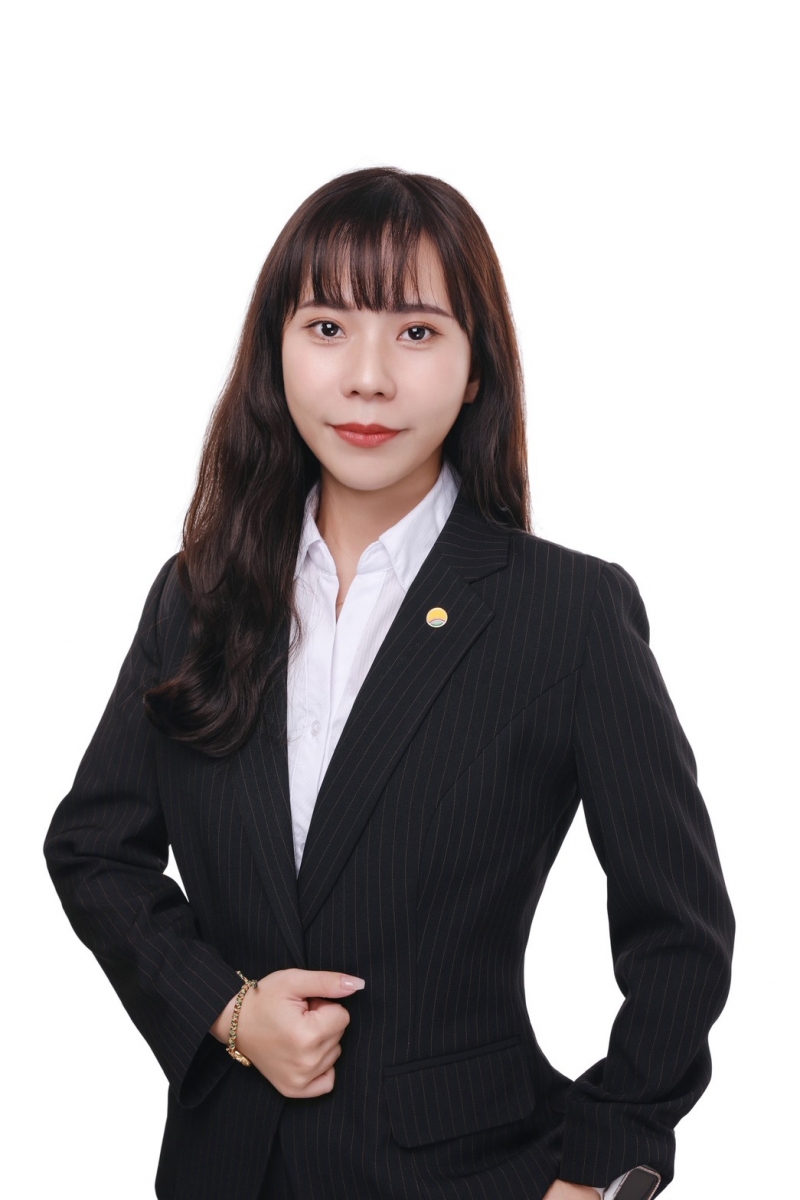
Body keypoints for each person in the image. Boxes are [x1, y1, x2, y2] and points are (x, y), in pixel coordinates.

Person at [43, 166, 735, 1200]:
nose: (367, 378)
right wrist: (228, 1012)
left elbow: (680, 930)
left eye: (416, 332)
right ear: (275, 353)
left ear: (474, 368)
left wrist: (601, 1171)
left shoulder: (568, 614)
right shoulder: (197, 595)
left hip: (471, 1171)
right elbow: (95, 850)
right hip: (222, 1170)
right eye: (327, 327)